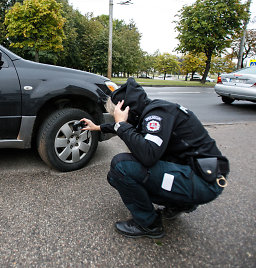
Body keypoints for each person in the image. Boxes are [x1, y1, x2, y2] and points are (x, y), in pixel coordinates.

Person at [81, 78, 229, 239]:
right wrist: (98, 127)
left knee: (121, 167)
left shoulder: (156, 116)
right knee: (115, 177)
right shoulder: (154, 110)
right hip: (199, 175)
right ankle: (179, 203)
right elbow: (135, 128)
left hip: (204, 182)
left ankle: (148, 224)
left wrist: (122, 125)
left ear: (127, 110)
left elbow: (148, 156)